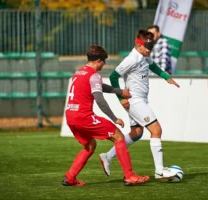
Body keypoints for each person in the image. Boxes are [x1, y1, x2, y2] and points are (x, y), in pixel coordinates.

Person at [62, 45, 150, 186]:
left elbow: (100, 86)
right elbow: (99, 99)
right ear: (98, 60)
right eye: (104, 61)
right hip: (83, 117)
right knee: (119, 137)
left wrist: (119, 92)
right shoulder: (94, 75)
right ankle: (130, 176)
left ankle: (69, 177)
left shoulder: (79, 72)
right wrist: (114, 118)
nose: (104, 64)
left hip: (71, 117)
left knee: (90, 145)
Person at [99, 30, 180, 179]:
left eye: (151, 48)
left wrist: (166, 77)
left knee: (136, 133)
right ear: (138, 45)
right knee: (156, 130)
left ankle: (107, 156)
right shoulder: (132, 59)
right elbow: (113, 76)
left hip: (141, 99)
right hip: (134, 100)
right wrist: (120, 98)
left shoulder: (144, 56)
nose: (150, 51)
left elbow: (153, 66)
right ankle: (160, 170)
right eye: (147, 48)